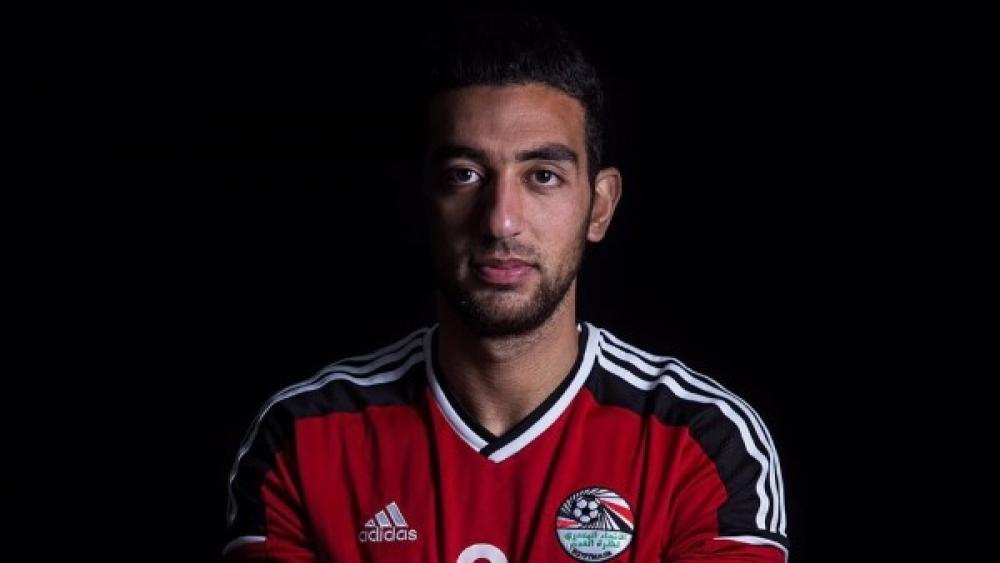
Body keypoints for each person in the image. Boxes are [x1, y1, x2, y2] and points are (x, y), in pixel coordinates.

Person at [224, 13, 788, 562]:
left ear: (599, 206)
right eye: (464, 175)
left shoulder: (701, 441)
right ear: (418, 204)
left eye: (543, 176)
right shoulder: (303, 438)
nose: (501, 221)